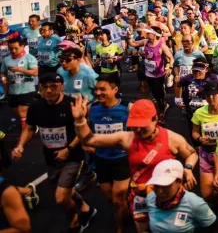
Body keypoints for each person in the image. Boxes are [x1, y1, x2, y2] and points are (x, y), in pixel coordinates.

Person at [70, 96, 198, 233]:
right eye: (134, 125)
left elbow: (191, 153)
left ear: (155, 120)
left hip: (166, 195)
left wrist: (188, 169)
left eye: (142, 125)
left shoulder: (172, 138)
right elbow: (90, 139)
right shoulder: (127, 138)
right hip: (140, 195)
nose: (138, 130)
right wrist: (80, 121)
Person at [11, 73, 96, 232]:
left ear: (62, 87)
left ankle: (75, 222)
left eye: (53, 87)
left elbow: (83, 130)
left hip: (73, 156)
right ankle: (86, 209)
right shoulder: (36, 108)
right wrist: (20, 145)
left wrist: (68, 149)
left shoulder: (72, 105)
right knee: (66, 190)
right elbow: (29, 128)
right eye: (44, 87)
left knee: (60, 197)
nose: (48, 91)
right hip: (51, 157)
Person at [87, 74, 130, 233]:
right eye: (96, 89)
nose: (98, 92)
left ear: (115, 90)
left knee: (118, 200)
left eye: (102, 89)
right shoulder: (92, 109)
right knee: (110, 199)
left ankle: (120, 227)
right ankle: (127, 208)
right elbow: (87, 130)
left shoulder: (127, 108)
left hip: (122, 160)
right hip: (101, 160)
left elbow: (137, 131)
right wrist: (87, 144)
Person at [191, 81, 218, 203]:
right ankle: (215, 212)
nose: (211, 98)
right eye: (208, 95)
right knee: (207, 193)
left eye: (214, 95)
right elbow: (194, 132)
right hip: (207, 153)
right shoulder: (199, 113)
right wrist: (200, 138)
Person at [145, 159, 216, 233]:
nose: (160, 191)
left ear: (179, 181)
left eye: (165, 186)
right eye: (156, 185)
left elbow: (212, 227)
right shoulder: (151, 198)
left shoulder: (194, 203)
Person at [0, 38, 38, 132]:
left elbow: (35, 73)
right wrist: (3, 78)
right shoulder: (6, 59)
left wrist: (20, 70)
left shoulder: (29, 58)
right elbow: (3, 72)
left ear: (22, 46)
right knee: (15, 110)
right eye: (11, 48)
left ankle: (25, 133)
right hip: (13, 89)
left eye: (16, 48)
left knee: (22, 112)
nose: (13, 50)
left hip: (27, 88)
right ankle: (32, 122)